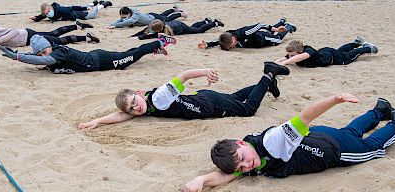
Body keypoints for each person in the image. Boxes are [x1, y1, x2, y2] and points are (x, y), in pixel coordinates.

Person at [183, 95, 395, 192]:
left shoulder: (272, 142)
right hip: (318, 136)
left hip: (330, 150)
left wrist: (334, 99)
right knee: (349, 132)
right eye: (240, 166)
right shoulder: (245, 155)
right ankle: (379, 111)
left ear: (242, 144)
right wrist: (201, 179)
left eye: (243, 159)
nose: (245, 166)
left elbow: (305, 116)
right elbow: (227, 175)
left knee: (373, 148)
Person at [77, 62, 290, 130]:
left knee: (249, 110)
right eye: (132, 108)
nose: (136, 109)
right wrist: (97, 121)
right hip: (204, 98)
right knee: (235, 97)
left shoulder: (159, 98)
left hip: (208, 105)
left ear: (140, 94)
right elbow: (121, 116)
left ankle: (268, 73)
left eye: (135, 102)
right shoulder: (146, 106)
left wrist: (205, 72)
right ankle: (267, 86)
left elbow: (184, 75)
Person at [0, 34, 175, 74]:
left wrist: (17, 57)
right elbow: (40, 58)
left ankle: (159, 41)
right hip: (97, 56)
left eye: (45, 51)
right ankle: (155, 48)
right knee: (126, 54)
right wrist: (19, 55)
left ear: (49, 47)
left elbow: (41, 60)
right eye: (41, 53)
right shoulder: (51, 53)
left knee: (132, 57)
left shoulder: (57, 52)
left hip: (102, 61)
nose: (44, 56)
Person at [0, 15, 98, 49]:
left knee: (56, 38)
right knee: (54, 34)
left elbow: (14, 32)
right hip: (26, 41)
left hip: (26, 35)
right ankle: (78, 26)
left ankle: (86, 37)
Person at [198, 18, 296, 50]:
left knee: (278, 39)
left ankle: (288, 27)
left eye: (231, 46)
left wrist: (277, 30)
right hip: (257, 38)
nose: (232, 47)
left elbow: (260, 25)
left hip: (263, 39)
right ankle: (281, 22)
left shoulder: (245, 33)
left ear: (233, 39)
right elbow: (219, 41)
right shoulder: (227, 36)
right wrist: (207, 44)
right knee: (269, 32)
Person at [274, 37, 378, 68]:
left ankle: (369, 48)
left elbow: (298, 58)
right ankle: (356, 43)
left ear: (300, 52)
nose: (290, 57)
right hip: (326, 52)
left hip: (335, 58)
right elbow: (285, 58)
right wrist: (275, 63)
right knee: (341, 50)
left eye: (292, 55)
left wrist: (284, 63)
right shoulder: (294, 53)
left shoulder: (307, 51)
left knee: (350, 55)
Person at [131, 17, 223, 40]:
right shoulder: (159, 25)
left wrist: (139, 38)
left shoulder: (163, 31)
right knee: (192, 27)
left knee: (198, 31)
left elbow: (151, 36)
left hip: (181, 27)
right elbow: (145, 31)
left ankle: (215, 23)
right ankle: (206, 21)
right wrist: (134, 36)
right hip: (177, 24)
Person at [105, 5, 187, 29]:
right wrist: (111, 25)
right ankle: (173, 9)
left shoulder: (135, 16)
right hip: (151, 16)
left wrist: (116, 26)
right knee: (163, 15)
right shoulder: (128, 14)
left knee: (167, 19)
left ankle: (180, 14)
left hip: (154, 19)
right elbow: (120, 20)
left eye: (124, 17)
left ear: (129, 13)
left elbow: (128, 22)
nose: (123, 18)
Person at [30, 1, 112, 22]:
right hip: (73, 14)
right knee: (88, 9)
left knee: (92, 14)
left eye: (48, 11)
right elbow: (42, 16)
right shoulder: (48, 14)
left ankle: (103, 5)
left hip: (75, 14)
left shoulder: (61, 10)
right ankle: (92, 3)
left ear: (52, 8)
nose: (48, 14)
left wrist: (84, 8)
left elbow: (73, 8)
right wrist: (36, 18)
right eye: (46, 13)